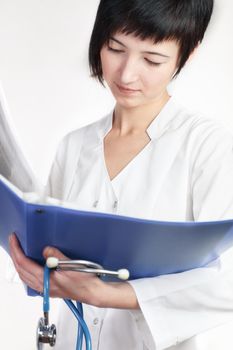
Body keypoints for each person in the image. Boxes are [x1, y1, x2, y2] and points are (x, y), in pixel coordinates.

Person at [9, 0, 233, 349]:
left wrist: (112, 295)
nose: (127, 74)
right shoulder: (74, 146)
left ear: (188, 54)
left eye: (152, 59)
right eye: (115, 48)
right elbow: (46, 254)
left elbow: (226, 282)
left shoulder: (206, 146)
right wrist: (31, 266)